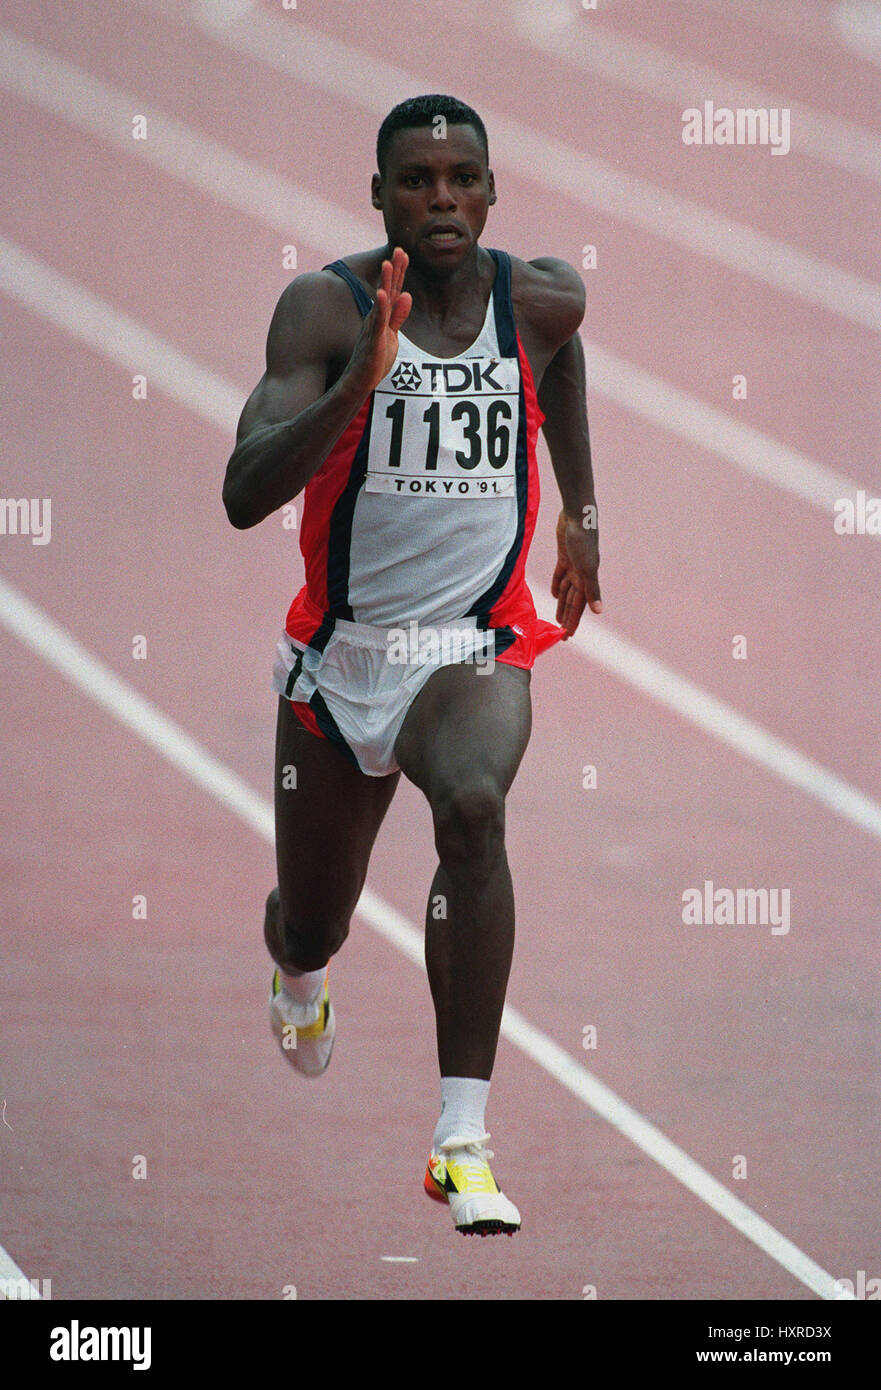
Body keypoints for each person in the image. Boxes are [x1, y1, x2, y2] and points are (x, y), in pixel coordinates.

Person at [223, 95, 601, 1237]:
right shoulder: (324, 311)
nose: (440, 198)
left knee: (476, 806)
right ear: (376, 195)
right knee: (313, 921)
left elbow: (561, 362)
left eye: (461, 178)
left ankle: (460, 1136)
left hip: (469, 646)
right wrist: (358, 385)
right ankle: (295, 967)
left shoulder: (536, 301)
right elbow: (243, 493)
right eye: (415, 180)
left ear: (491, 192)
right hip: (339, 663)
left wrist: (578, 511)